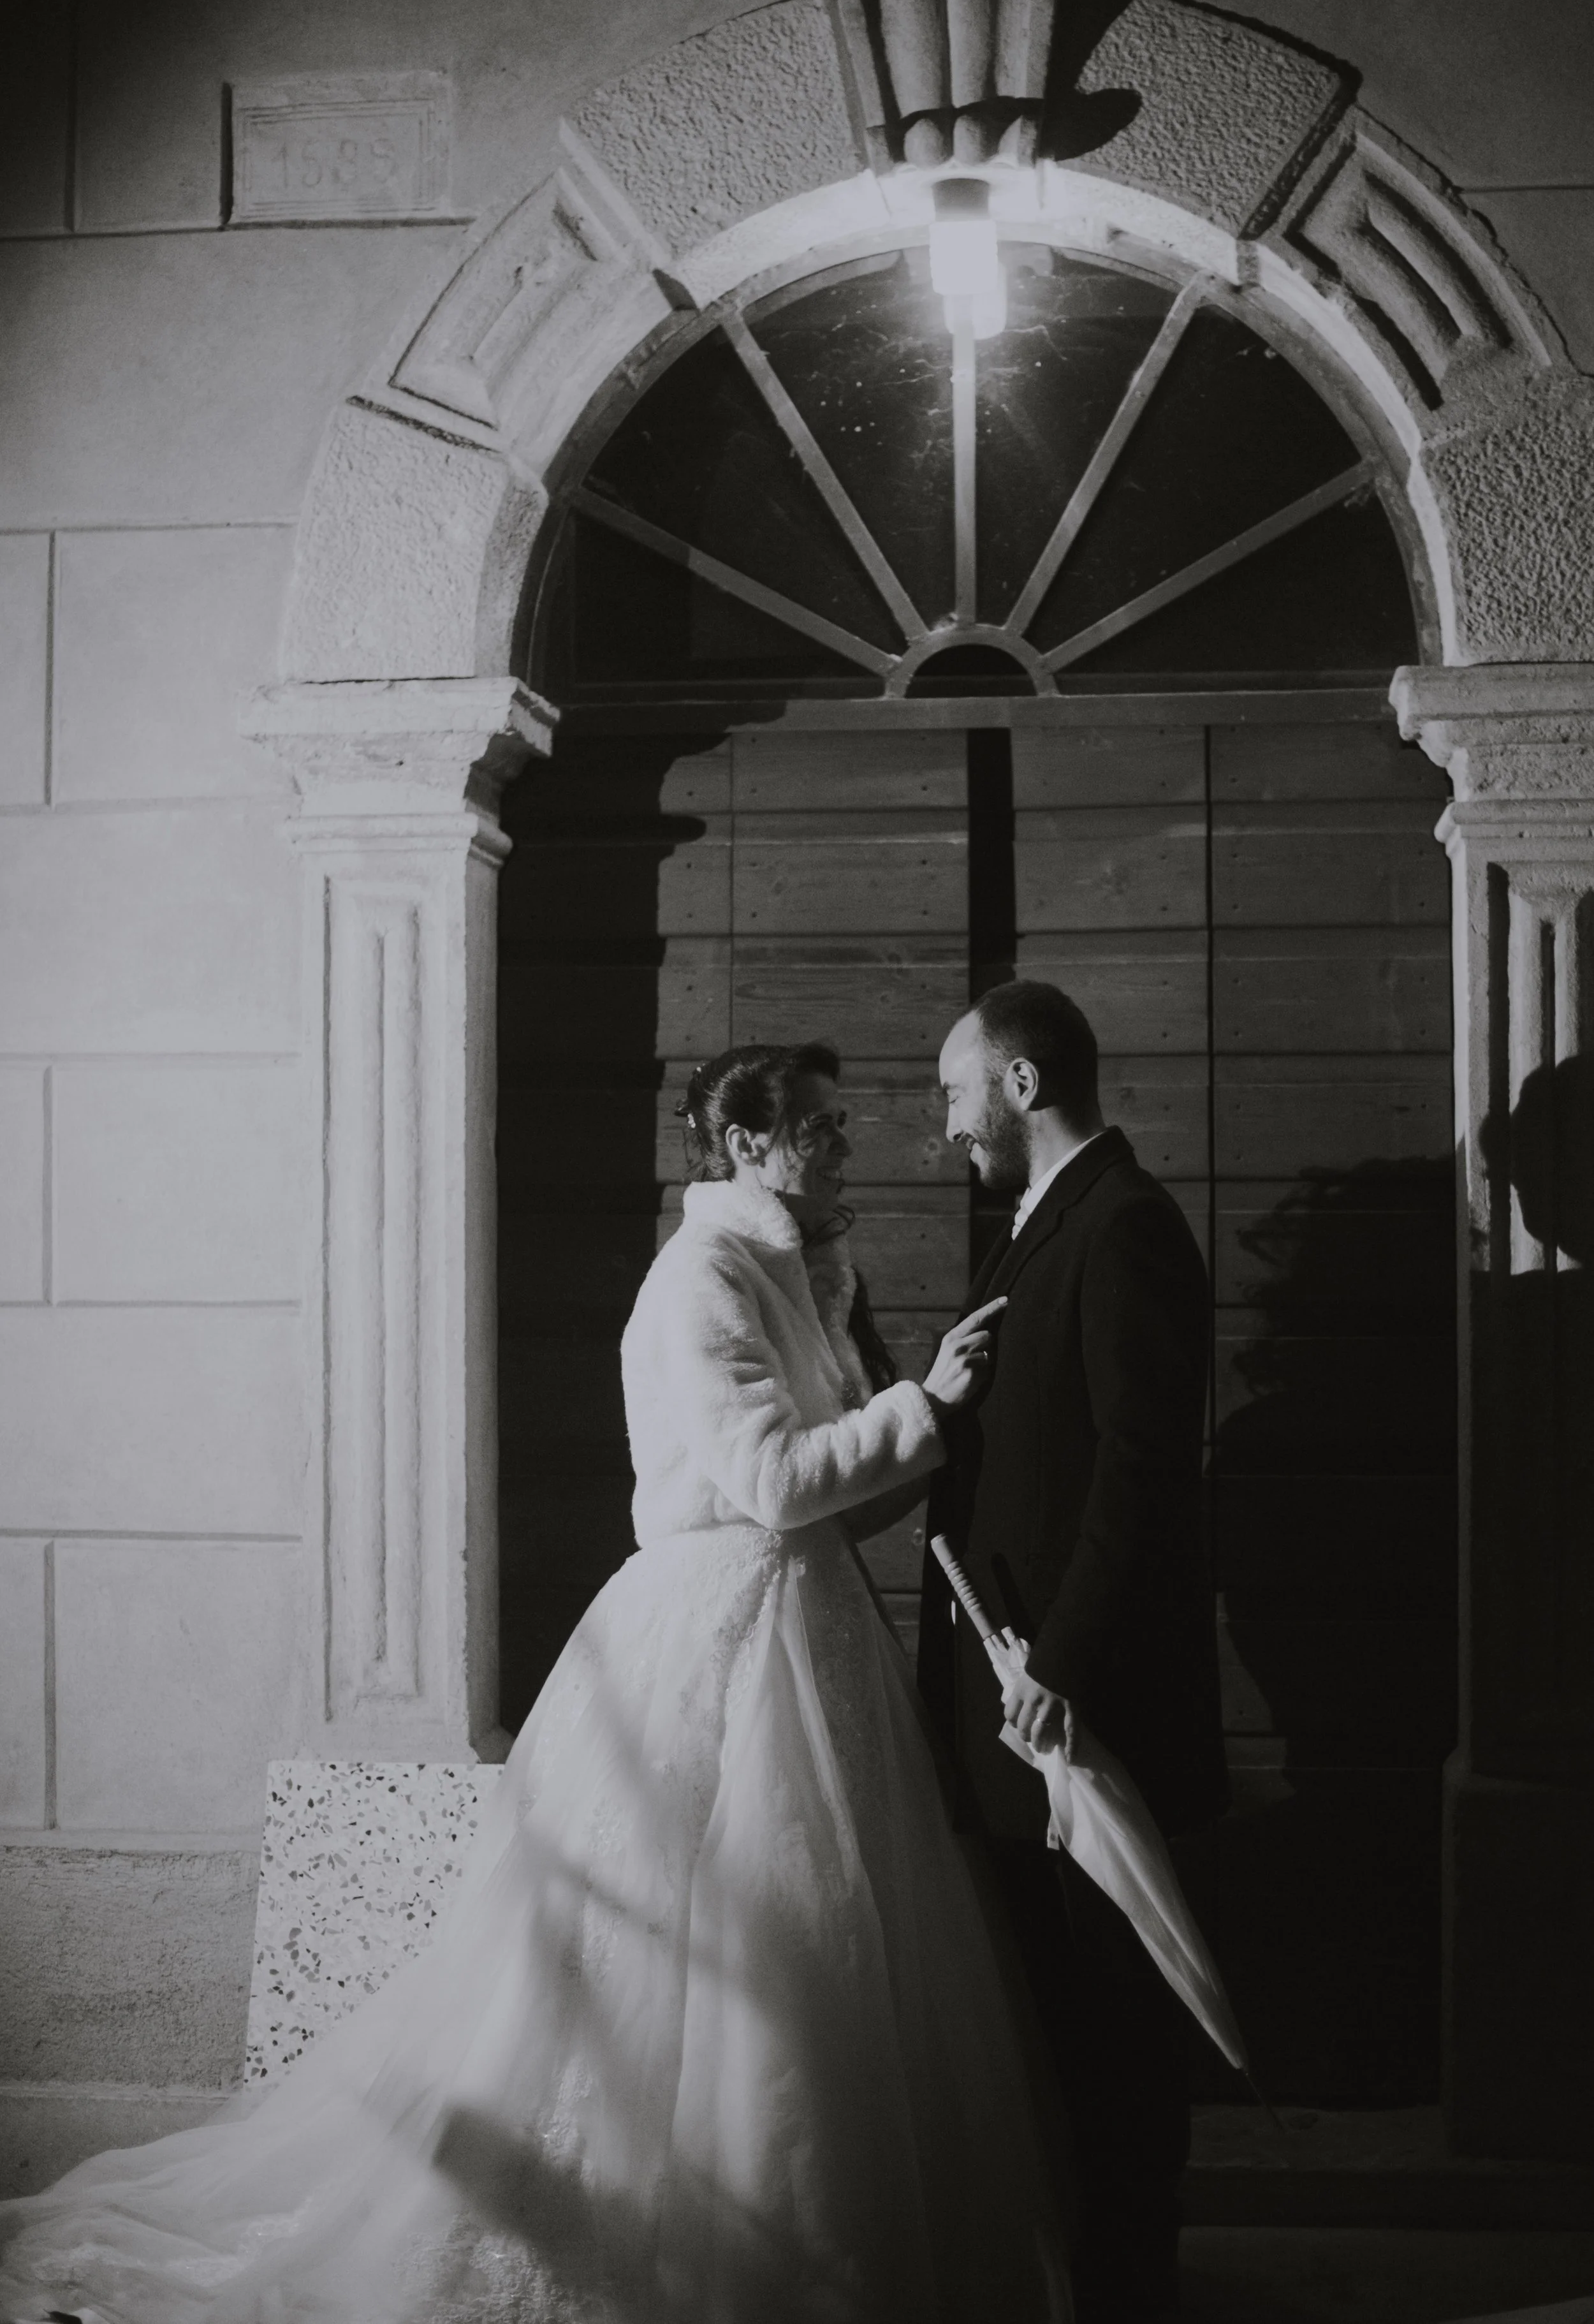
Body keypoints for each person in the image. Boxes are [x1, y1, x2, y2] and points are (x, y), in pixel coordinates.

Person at [0, 1038, 1063, 2324]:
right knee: (681, 1955)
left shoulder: (810, 1274)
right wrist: (926, 1410)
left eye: (839, 1128)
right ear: (743, 1148)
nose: (843, 1148)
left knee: (811, 1966)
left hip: (806, 1632)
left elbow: (836, 1506)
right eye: (820, 1130)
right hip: (711, 1639)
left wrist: (934, 1430)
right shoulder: (700, 1276)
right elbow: (771, 1484)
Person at [919, 983, 1227, 2324]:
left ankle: (1127, 2298)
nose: (946, 1130)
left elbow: (1143, 1472)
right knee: (1062, 2026)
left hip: (1080, 1712)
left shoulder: (1124, 1227)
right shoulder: (1042, 1228)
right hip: (1023, 1710)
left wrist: (1063, 1662)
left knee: (1115, 2034)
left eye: (953, 1092)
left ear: (1023, 1083)